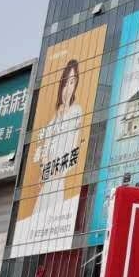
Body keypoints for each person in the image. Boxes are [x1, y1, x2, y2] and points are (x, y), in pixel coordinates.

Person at [16, 58, 85, 254]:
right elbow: (44, 150)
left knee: (51, 228)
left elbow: (73, 151)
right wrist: (44, 168)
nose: (68, 88)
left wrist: (55, 169)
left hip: (57, 180)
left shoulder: (76, 112)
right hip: (46, 182)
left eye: (72, 82)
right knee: (36, 228)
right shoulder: (54, 118)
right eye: (65, 82)